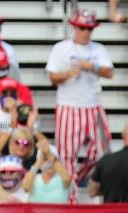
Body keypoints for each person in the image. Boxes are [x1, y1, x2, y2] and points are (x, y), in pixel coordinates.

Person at [46, 8, 114, 201]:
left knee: (101, 153)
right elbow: (52, 77)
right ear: (74, 27)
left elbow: (110, 72)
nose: (85, 32)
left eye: (89, 29)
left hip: (92, 105)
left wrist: (91, 66)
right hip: (68, 106)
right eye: (82, 28)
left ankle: (81, 177)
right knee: (67, 156)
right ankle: (71, 201)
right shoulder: (61, 48)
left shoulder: (99, 49)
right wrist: (67, 73)